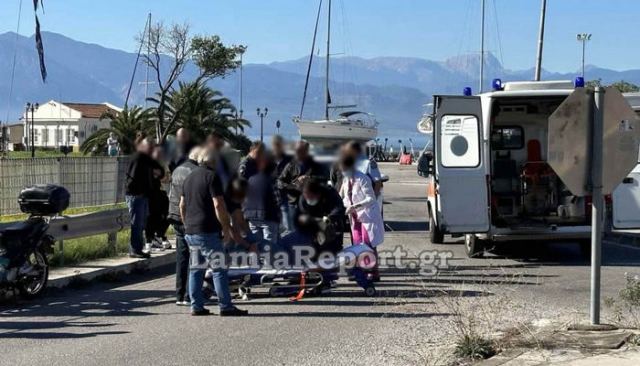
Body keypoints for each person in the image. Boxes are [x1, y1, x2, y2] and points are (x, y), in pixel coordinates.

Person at [180, 147, 248, 316]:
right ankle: (225, 306)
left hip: (191, 230)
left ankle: (196, 305)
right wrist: (225, 226)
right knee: (219, 268)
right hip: (207, 230)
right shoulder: (212, 177)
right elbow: (218, 204)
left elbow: (182, 204)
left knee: (196, 268)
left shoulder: (189, 177)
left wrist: (186, 222)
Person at [339, 154, 385, 280]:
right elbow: (344, 197)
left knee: (368, 243)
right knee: (357, 243)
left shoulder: (363, 179)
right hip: (354, 216)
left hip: (367, 215)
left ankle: (373, 271)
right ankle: (360, 271)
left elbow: (370, 198)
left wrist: (355, 206)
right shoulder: (346, 180)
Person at [168, 146, 201, 306]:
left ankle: (179, 295)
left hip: (174, 216)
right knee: (193, 257)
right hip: (188, 217)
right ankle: (189, 295)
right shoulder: (195, 172)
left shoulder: (177, 170)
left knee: (181, 257)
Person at [277, 140, 327, 229]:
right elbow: (280, 182)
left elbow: (324, 179)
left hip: (310, 204)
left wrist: (310, 179)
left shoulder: (315, 165)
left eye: (301, 150)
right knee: (292, 231)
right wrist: (293, 185)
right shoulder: (291, 165)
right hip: (294, 203)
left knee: (310, 232)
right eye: (297, 150)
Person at [124, 133, 156, 259]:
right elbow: (132, 178)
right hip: (136, 195)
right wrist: (140, 191)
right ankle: (135, 249)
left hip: (141, 195)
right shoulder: (138, 158)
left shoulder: (144, 158)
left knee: (141, 223)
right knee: (136, 223)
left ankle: (138, 248)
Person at [243, 153, 281, 246]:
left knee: (256, 244)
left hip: (251, 217)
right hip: (268, 217)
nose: (277, 172)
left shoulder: (251, 179)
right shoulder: (271, 182)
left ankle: (255, 260)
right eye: (276, 170)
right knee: (269, 247)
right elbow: (277, 201)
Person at [145, 144, 171, 252]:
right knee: (152, 217)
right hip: (150, 194)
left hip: (159, 193)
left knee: (167, 214)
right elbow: (165, 178)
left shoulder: (159, 163)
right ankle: (152, 240)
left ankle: (159, 235)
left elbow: (166, 178)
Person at [271, 135, 293, 232]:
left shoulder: (289, 159)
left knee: (287, 224)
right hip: (272, 196)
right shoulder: (269, 158)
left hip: (285, 195)